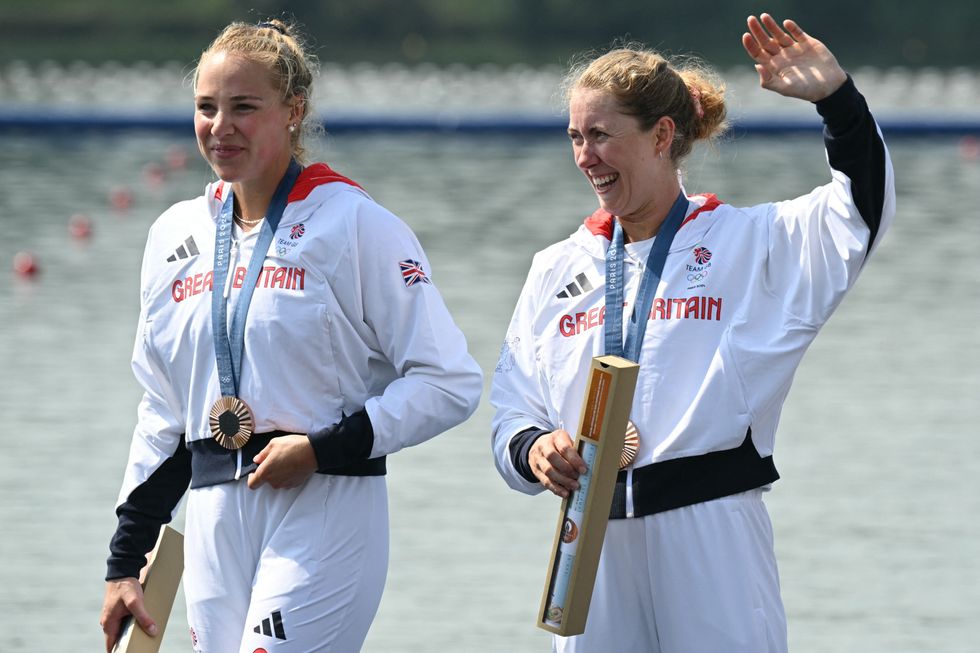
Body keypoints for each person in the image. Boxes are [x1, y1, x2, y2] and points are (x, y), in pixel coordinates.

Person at [490, 13, 895, 653]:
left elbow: (859, 213)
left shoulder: (749, 241)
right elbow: (511, 406)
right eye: (574, 136)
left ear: (662, 136)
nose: (584, 156)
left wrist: (837, 102)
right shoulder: (555, 267)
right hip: (589, 543)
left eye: (600, 135)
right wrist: (533, 448)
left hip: (708, 531)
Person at [99, 18, 482, 653]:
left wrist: (324, 447)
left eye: (243, 107)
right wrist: (124, 559)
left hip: (326, 504)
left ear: (293, 112)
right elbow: (165, 408)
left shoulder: (355, 222)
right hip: (216, 512)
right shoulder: (174, 234)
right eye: (206, 107)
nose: (221, 127)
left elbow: (451, 382)